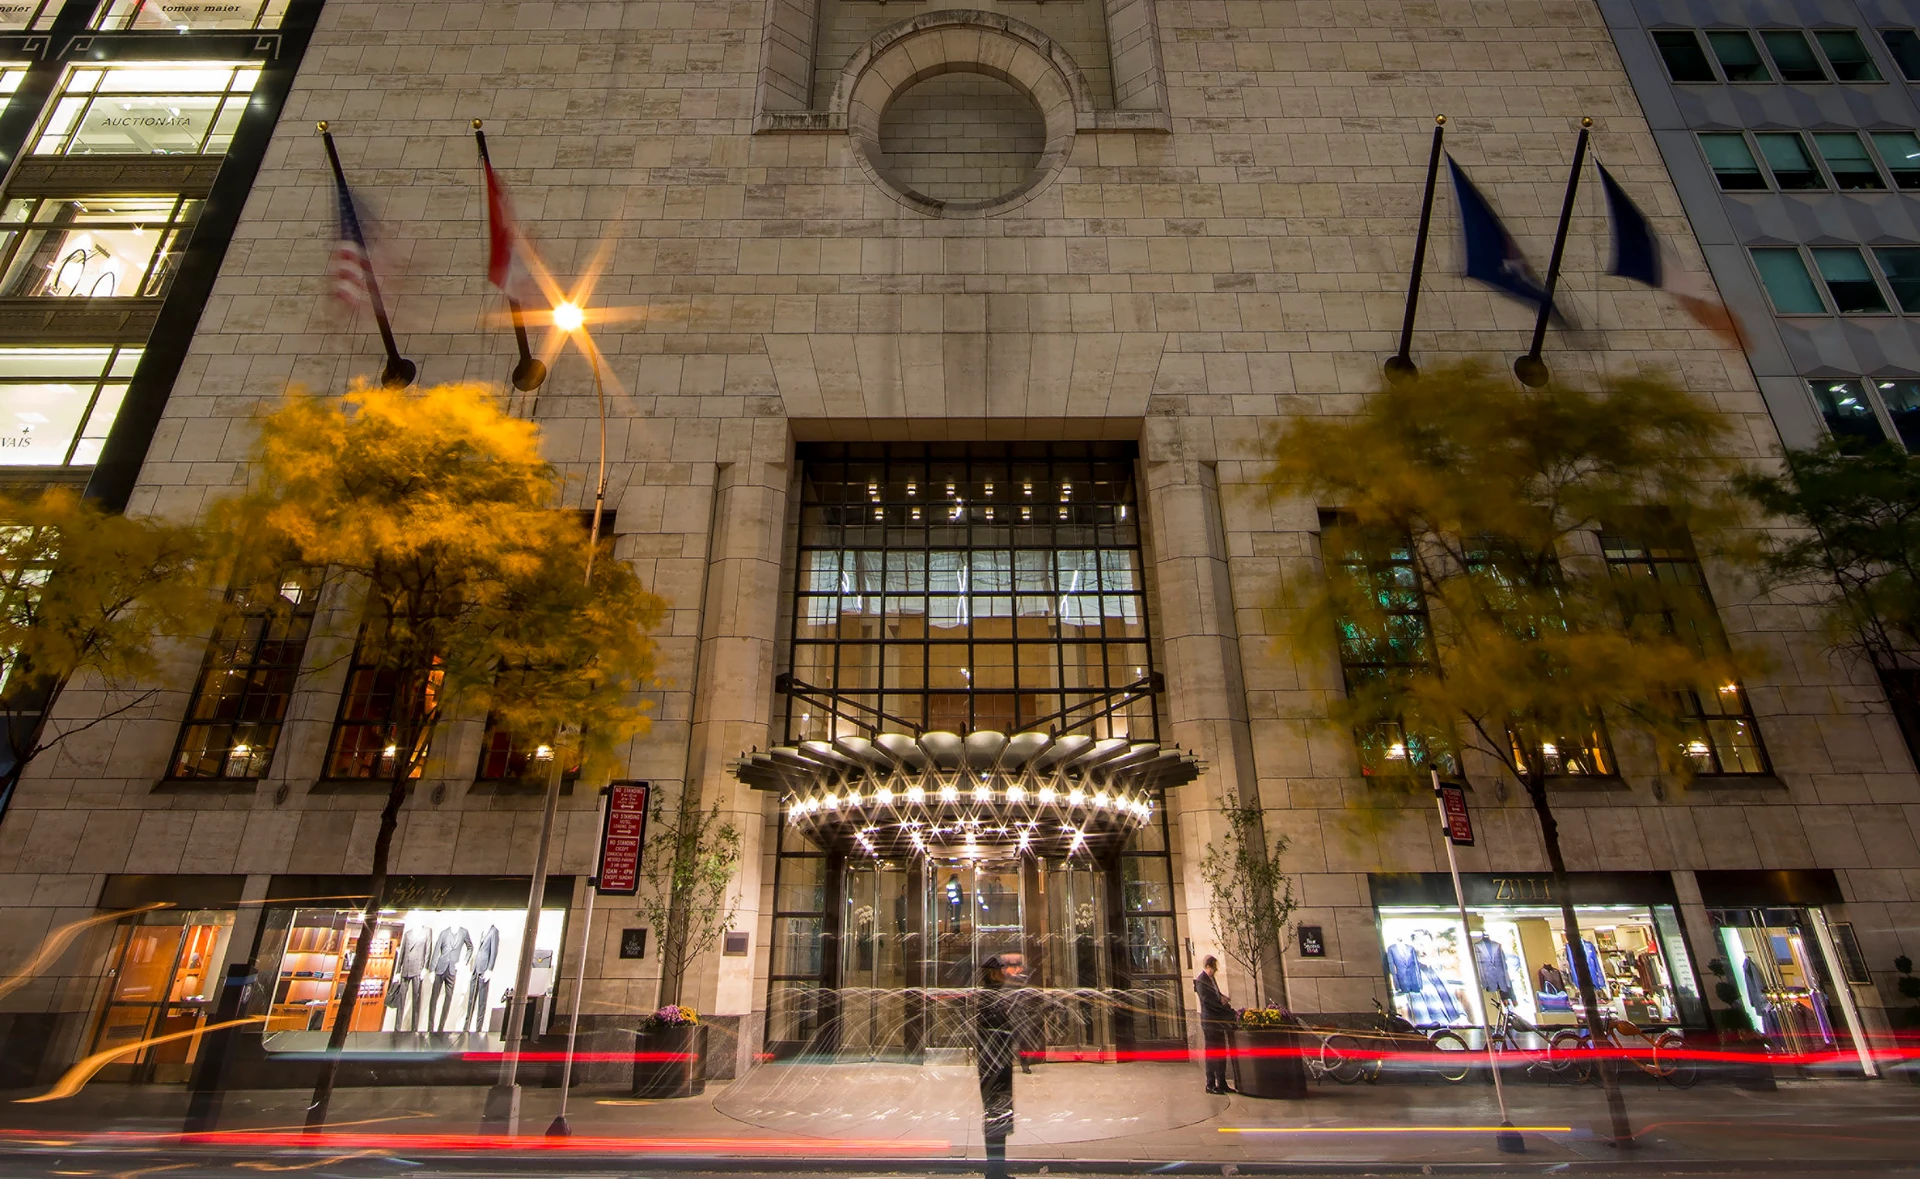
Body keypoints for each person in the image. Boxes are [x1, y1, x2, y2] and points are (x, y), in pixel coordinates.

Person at [977, 952, 1025, 1179]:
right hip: (994, 1068)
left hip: (994, 1067)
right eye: (1000, 971)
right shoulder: (990, 998)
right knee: (997, 1120)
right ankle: (995, 1172)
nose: (1005, 974)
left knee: (999, 1120)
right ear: (993, 974)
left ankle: (997, 1170)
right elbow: (997, 1033)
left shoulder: (991, 996)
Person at [1193, 955, 1236, 1095]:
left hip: (1217, 1022)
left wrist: (1223, 998)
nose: (1215, 971)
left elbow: (1215, 995)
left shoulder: (1211, 979)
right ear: (1208, 966)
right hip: (1210, 1022)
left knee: (1221, 1052)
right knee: (1212, 1053)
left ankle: (1222, 1083)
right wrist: (1221, 1002)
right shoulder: (1201, 980)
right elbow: (1207, 1001)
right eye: (1214, 968)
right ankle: (1210, 1084)